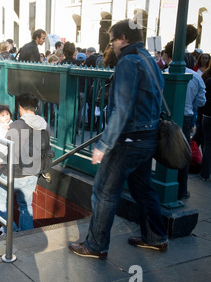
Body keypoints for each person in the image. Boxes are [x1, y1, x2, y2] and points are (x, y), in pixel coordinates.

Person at [69, 19, 169, 260]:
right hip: (148, 137)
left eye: (113, 39)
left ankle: (95, 246)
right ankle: (156, 238)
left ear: (124, 38)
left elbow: (121, 108)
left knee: (104, 192)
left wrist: (104, 144)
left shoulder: (128, 62)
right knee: (143, 188)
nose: (111, 44)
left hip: (127, 140)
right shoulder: (149, 60)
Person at [0, 93, 50, 232]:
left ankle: (10, 229)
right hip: (35, 172)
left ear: (20, 108)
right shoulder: (44, 124)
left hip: (15, 172)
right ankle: (27, 235)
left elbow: (7, 152)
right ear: (35, 108)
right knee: (25, 205)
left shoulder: (16, 125)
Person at [163, 41, 206, 200]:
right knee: (183, 152)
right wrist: (190, 106)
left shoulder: (163, 73)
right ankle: (181, 189)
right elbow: (201, 101)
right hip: (186, 117)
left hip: (166, 117)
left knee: (164, 149)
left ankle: (166, 184)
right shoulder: (195, 77)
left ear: (168, 56)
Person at [200, 67, 211, 181]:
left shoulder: (208, 80)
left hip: (207, 116)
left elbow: (204, 100)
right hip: (207, 115)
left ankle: (205, 173)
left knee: (207, 144)